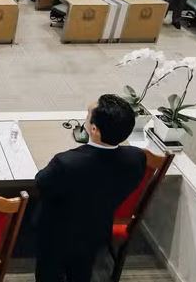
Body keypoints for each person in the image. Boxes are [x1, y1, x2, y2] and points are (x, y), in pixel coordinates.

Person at [34, 94, 145, 282]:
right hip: (96, 231)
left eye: (87, 115)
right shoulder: (137, 158)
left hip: (56, 235)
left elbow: (41, 183)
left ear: (94, 129)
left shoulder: (66, 163)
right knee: (82, 272)